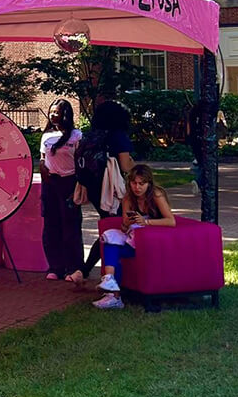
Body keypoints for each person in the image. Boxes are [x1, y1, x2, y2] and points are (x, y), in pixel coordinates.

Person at [93, 164, 176, 309]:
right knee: (110, 241)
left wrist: (146, 222)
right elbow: (124, 228)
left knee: (114, 248)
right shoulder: (128, 199)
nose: (137, 187)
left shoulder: (156, 195)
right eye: (134, 183)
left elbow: (171, 221)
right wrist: (126, 223)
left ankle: (114, 294)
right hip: (134, 238)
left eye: (141, 184)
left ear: (149, 183)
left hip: (153, 242)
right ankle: (111, 284)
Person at [74, 92, 137, 279]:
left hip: (94, 188)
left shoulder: (91, 136)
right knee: (116, 228)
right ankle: (86, 271)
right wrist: (138, 166)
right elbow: (126, 166)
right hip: (113, 189)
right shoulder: (119, 136)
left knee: (109, 225)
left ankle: (84, 271)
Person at [38, 99, 86, 286]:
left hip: (69, 182)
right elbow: (42, 158)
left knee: (71, 226)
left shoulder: (76, 136)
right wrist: (43, 167)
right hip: (51, 183)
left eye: (56, 112)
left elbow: (81, 161)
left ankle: (73, 267)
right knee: (51, 225)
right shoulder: (47, 136)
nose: (52, 115)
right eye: (51, 112)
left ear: (65, 114)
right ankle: (54, 267)